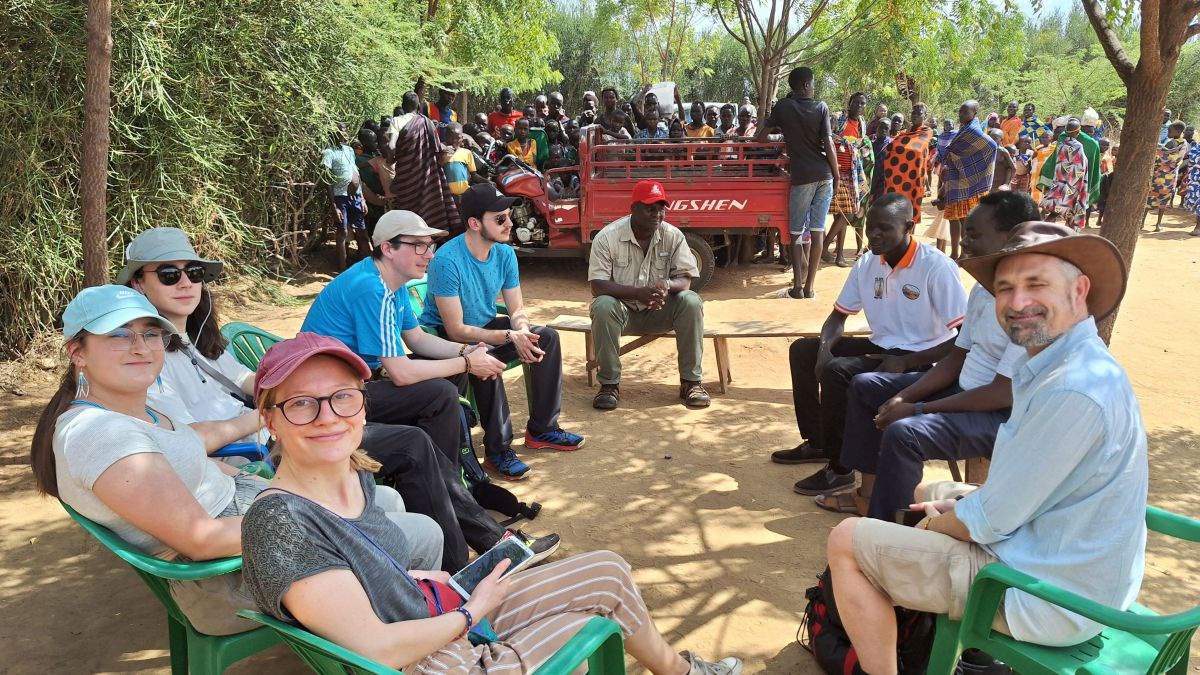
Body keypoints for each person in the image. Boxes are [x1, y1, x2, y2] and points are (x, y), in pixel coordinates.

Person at [239, 334, 743, 675]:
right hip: (434, 662)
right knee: (593, 630)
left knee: (607, 572)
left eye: (343, 397)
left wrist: (422, 581)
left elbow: (359, 580)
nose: (328, 416)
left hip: (433, 621)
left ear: (363, 404)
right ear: (270, 420)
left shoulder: (351, 474)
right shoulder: (282, 522)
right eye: (301, 402)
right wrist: (472, 610)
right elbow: (376, 647)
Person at [30, 285, 443, 635]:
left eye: (150, 334)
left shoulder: (135, 409)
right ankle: (394, 644)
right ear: (78, 352)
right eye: (118, 336)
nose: (141, 347)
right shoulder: (102, 435)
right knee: (422, 533)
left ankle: (376, 625)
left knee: (384, 502)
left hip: (247, 517)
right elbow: (200, 539)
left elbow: (195, 442)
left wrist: (264, 419)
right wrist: (322, 516)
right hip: (222, 577)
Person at [826, 221, 1145, 673]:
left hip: (1048, 596)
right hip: (1062, 555)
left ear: (1080, 291)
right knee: (928, 496)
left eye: (1036, 284)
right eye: (1005, 288)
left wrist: (935, 530)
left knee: (847, 542)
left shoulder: (1072, 390)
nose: (1017, 303)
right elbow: (1037, 491)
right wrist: (957, 512)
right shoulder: (1070, 364)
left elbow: (989, 522)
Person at [123, 228, 537, 572]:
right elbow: (184, 441)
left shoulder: (202, 342)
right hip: (265, 451)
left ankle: (466, 527)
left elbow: (250, 381)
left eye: (193, 272)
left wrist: (289, 394)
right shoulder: (146, 356)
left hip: (294, 420)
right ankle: (465, 555)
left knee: (433, 411)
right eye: (168, 274)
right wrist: (271, 414)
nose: (185, 283)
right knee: (414, 438)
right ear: (138, 283)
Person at [824, 191, 1037, 517]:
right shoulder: (984, 288)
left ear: (1011, 237)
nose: (963, 243)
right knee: (866, 385)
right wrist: (904, 397)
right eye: (965, 233)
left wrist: (918, 406)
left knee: (904, 432)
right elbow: (957, 356)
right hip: (963, 389)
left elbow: (1000, 393)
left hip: (1002, 413)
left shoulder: (1030, 306)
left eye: (974, 235)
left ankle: (892, 524)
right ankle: (868, 496)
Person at [773, 194, 967, 496]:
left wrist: (907, 362)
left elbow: (964, 337)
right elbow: (838, 317)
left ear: (909, 227)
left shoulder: (935, 267)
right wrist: (824, 349)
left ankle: (840, 469)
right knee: (803, 350)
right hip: (883, 348)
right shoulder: (867, 263)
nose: (874, 234)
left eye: (884, 228)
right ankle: (820, 442)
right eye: (871, 227)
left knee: (838, 372)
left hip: (922, 358)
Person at [421, 184, 585, 479]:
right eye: (500, 219)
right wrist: (510, 337)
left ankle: (542, 429)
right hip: (446, 338)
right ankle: (497, 450)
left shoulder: (505, 255)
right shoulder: (446, 261)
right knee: (485, 357)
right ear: (474, 223)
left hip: (485, 326)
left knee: (545, 337)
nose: (510, 224)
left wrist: (521, 332)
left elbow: (517, 310)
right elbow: (457, 330)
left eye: (509, 216)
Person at [587, 181, 708, 410]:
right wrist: (637, 293)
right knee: (602, 305)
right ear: (633, 208)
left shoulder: (673, 235)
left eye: (661, 208)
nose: (657, 214)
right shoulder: (607, 237)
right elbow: (597, 286)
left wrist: (667, 285)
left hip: (659, 311)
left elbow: (687, 279)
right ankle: (609, 385)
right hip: (622, 315)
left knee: (690, 301)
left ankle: (691, 383)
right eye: (650, 208)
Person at [755, 67, 838, 300]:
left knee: (795, 233)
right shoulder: (821, 107)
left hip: (802, 178)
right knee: (818, 230)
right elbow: (828, 144)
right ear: (805, 85)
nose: (813, 87)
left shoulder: (783, 107)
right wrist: (837, 175)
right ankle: (811, 288)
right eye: (812, 83)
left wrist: (781, 135)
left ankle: (797, 288)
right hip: (824, 175)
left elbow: (761, 136)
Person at [389, 91, 460, 235]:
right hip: (427, 175)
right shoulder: (427, 122)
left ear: (403, 105)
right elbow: (438, 148)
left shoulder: (397, 121)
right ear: (418, 107)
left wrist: (391, 159)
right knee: (430, 206)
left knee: (407, 211)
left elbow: (391, 146)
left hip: (406, 176)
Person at [935, 100, 996, 259]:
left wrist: (968, 168)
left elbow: (992, 146)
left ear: (974, 113)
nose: (961, 115)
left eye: (965, 112)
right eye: (960, 112)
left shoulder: (974, 131)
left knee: (963, 220)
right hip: (955, 181)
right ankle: (955, 252)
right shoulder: (964, 129)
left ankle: (963, 253)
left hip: (967, 183)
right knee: (953, 219)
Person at [824, 93, 871, 269]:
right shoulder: (837, 118)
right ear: (849, 103)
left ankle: (839, 253)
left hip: (851, 172)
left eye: (863, 103)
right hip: (836, 170)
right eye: (856, 102)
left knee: (845, 213)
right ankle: (827, 248)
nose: (859, 106)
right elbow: (827, 138)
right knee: (846, 212)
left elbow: (860, 146)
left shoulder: (862, 124)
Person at [322, 124, 371, 269]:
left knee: (362, 231)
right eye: (341, 131)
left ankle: (368, 268)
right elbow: (327, 180)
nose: (344, 133)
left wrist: (362, 198)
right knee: (342, 232)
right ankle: (342, 268)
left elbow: (355, 173)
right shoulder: (328, 152)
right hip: (340, 197)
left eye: (345, 130)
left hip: (355, 197)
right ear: (334, 133)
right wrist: (334, 206)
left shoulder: (349, 149)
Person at [881, 103, 935, 224]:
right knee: (894, 209)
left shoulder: (927, 132)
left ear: (925, 116)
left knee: (910, 212)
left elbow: (917, 150)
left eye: (919, 113)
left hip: (914, 178)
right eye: (913, 113)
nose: (915, 115)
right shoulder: (903, 133)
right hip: (896, 178)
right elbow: (889, 149)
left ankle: (908, 239)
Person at [1038, 117, 1091, 230]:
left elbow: (1059, 164)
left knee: (1058, 206)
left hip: (1059, 181)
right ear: (1078, 131)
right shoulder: (1078, 146)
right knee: (1065, 206)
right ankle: (1046, 227)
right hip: (1073, 183)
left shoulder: (1061, 145)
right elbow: (1080, 166)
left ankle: (1047, 226)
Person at [1145, 120, 1189, 232]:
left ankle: (1158, 223)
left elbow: (1175, 159)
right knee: (1149, 197)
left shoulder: (1183, 144)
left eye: (1170, 130)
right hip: (1158, 174)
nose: (1168, 132)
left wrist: (1160, 151)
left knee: (1163, 199)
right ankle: (1142, 221)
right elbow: (1167, 151)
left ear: (1178, 131)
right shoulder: (1171, 142)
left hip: (1169, 176)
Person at [440, 123, 488, 201]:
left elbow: (474, 175)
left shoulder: (467, 153)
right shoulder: (441, 151)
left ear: (462, 138)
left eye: (457, 138)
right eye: (451, 138)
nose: (454, 141)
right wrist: (442, 158)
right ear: (446, 136)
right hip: (446, 197)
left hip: (464, 195)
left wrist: (487, 181)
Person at [1183, 135, 1200, 236]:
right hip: (1196, 179)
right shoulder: (1197, 148)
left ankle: (1198, 227)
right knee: (1195, 201)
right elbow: (1190, 161)